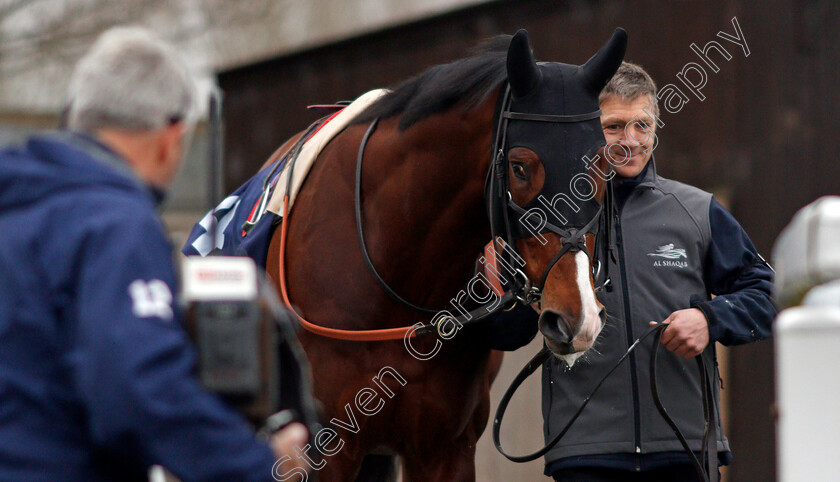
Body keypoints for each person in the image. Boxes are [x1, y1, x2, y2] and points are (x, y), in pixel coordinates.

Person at [0, 27, 308, 481]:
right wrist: (258, 466)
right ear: (171, 137)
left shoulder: (17, 208)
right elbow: (137, 389)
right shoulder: (113, 224)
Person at [539, 62, 776, 481]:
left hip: (681, 450)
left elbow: (767, 296)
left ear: (655, 130)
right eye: (613, 127)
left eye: (641, 125)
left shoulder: (696, 211)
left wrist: (710, 318)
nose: (630, 141)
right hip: (586, 454)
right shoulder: (555, 220)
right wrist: (494, 286)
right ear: (590, 132)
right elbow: (504, 333)